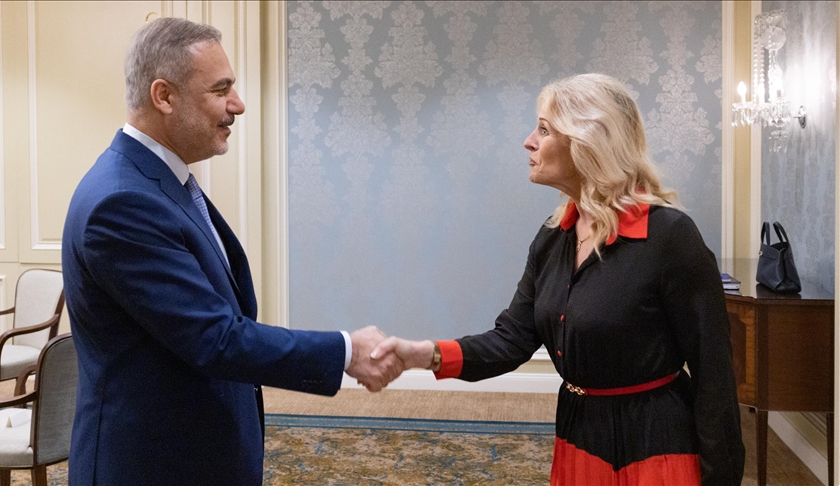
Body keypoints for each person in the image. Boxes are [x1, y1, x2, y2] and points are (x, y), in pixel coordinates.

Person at [62, 17, 402, 486]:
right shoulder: (122, 202)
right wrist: (345, 351)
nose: (237, 104)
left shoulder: (157, 181)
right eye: (221, 90)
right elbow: (215, 337)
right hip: (151, 464)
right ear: (164, 96)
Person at [372, 73, 745, 485]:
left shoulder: (670, 237)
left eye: (544, 129)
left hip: (655, 446)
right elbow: (511, 340)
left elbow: (714, 375)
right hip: (579, 436)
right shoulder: (552, 238)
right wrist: (422, 354)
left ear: (588, 142)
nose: (529, 141)